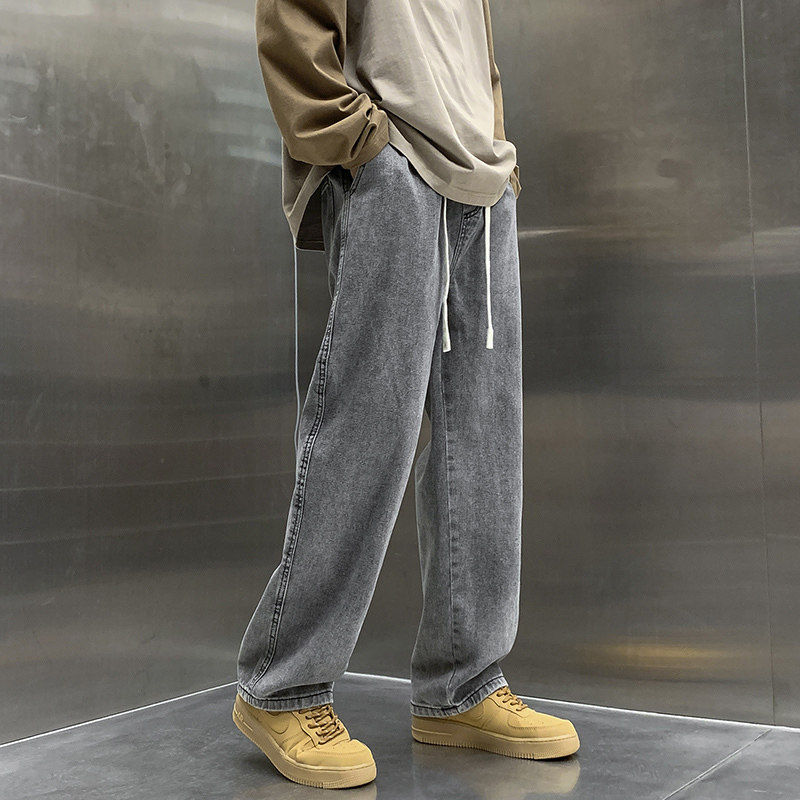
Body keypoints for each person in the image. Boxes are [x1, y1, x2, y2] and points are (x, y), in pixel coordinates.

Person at [231, 0, 580, 789]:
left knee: (484, 443)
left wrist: (499, 156)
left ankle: (463, 684)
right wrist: (362, 146)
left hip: (482, 181)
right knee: (368, 429)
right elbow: (293, 20)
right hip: (393, 167)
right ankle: (283, 685)